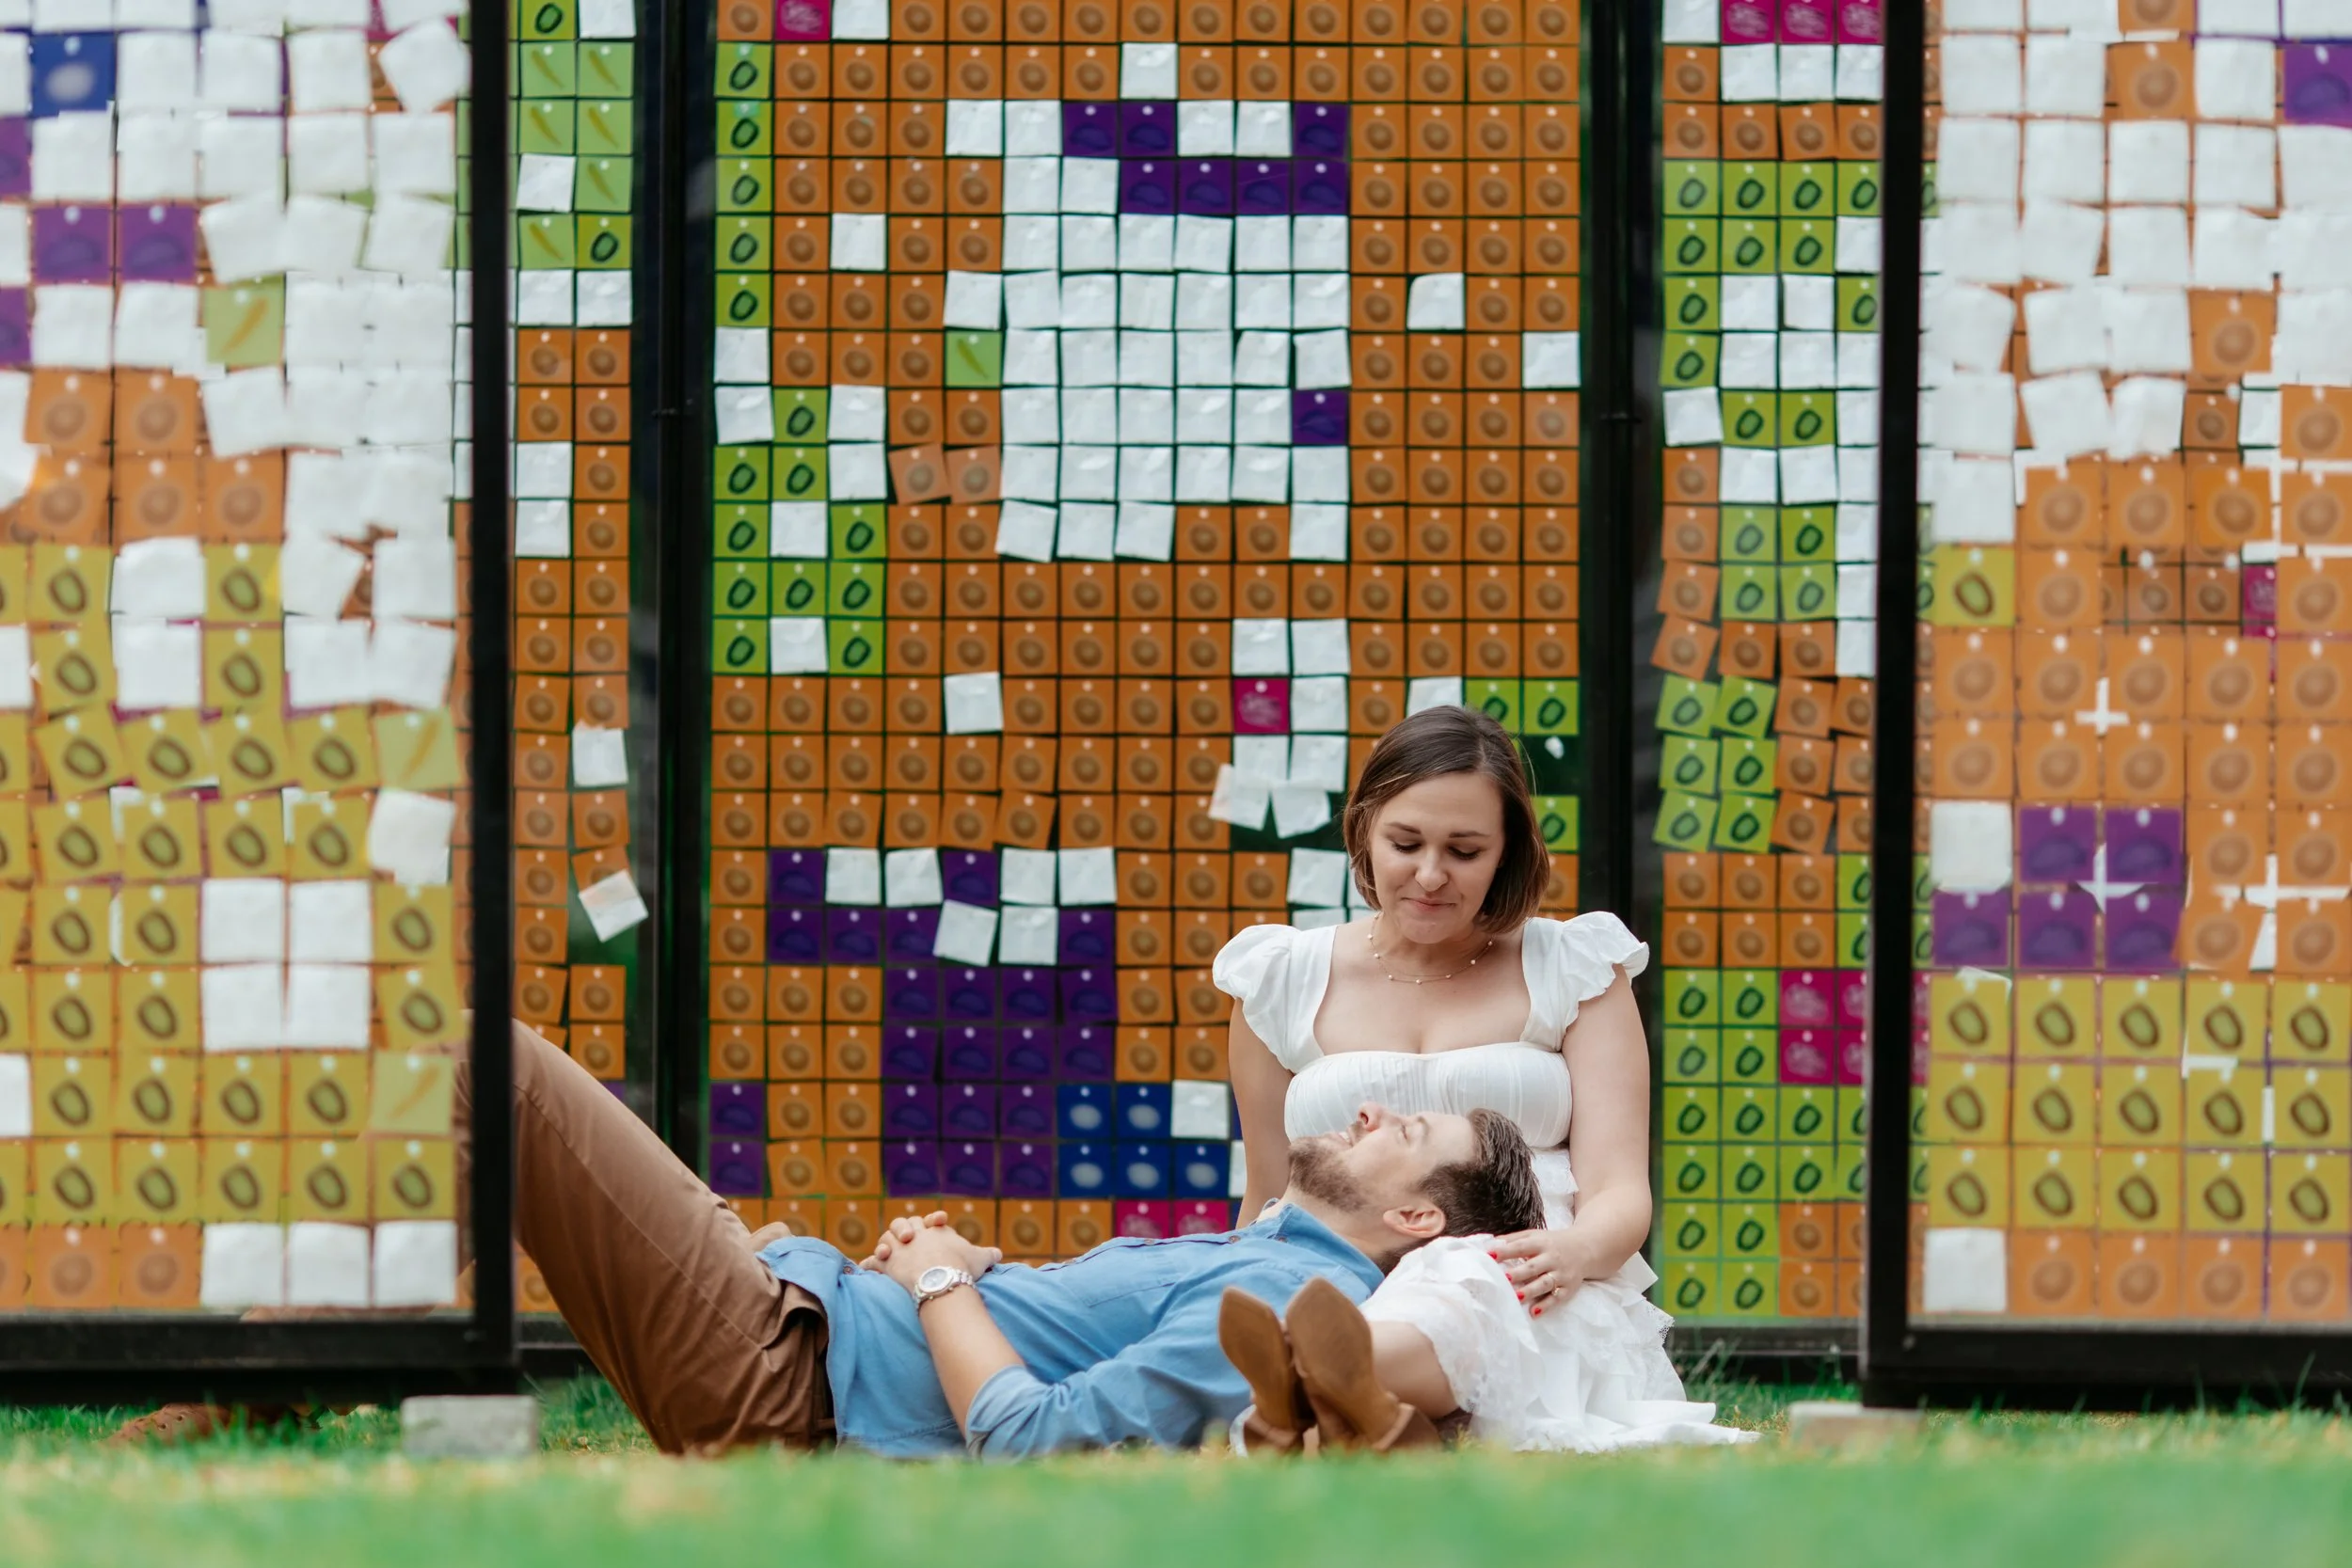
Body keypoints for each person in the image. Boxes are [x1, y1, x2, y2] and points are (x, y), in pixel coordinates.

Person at [1214, 705, 1755, 1453]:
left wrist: (1573, 1253)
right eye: (1406, 843)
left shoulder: (1575, 965)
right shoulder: (1279, 977)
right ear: (1365, 825)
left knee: (1472, 1283)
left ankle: (1318, 1385)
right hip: (1341, 1262)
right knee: (1309, 1301)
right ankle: (1338, 1386)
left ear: (1507, 852)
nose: (1430, 875)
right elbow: (1269, 1190)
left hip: (1533, 1275)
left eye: (1465, 851)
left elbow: (1621, 1189)